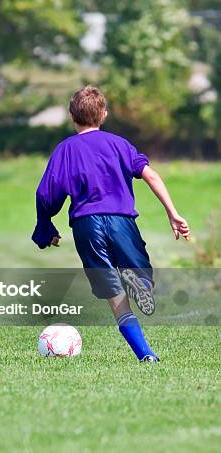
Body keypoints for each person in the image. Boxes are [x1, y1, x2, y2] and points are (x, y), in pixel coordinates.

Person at [32, 86, 190, 363]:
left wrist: (45, 227)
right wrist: (172, 213)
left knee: (114, 295)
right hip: (121, 221)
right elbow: (151, 176)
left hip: (85, 225)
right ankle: (139, 281)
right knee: (142, 276)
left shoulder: (65, 149)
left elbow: (46, 194)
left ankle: (146, 355)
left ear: (72, 116)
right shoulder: (119, 144)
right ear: (104, 114)